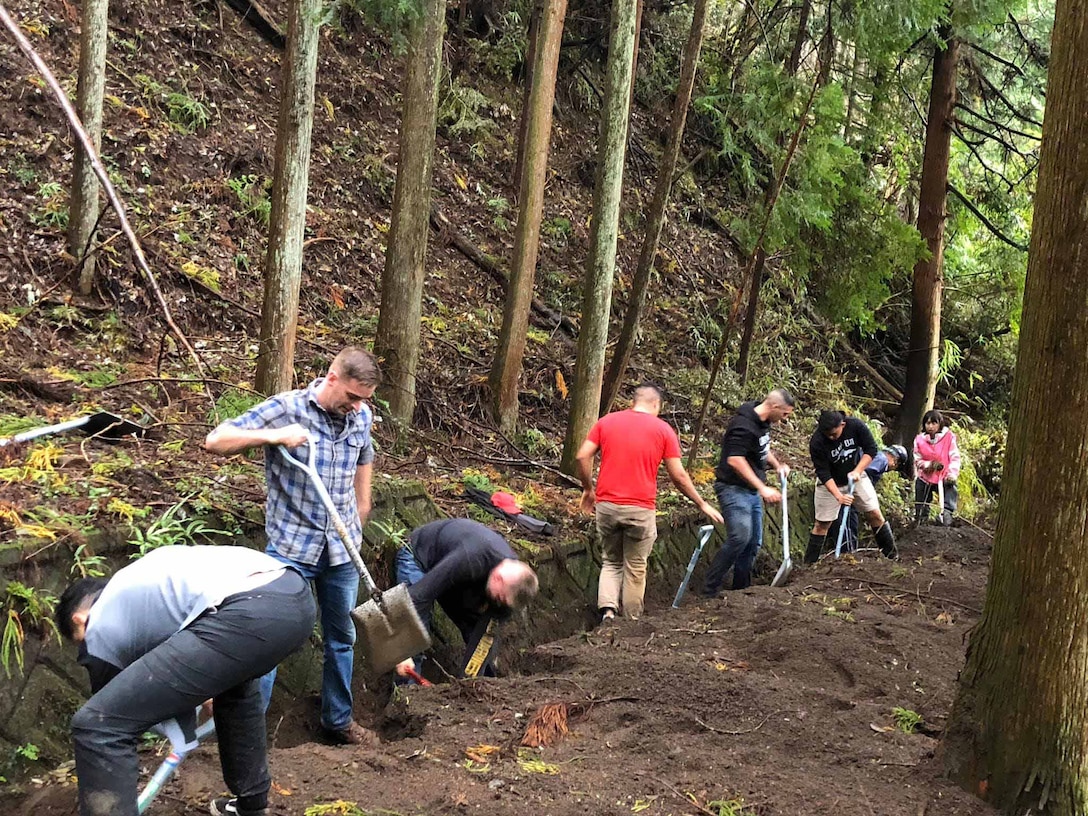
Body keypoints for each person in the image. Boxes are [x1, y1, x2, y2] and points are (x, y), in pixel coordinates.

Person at [56, 545, 316, 816]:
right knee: (236, 689)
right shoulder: (139, 583)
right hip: (293, 596)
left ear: (80, 619)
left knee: (98, 728)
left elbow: (109, 711)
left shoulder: (98, 622)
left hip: (245, 612)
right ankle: (250, 806)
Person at [204, 346, 381, 745]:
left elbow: (364, 457)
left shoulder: (362, 415)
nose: (357, 407)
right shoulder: (286, 409)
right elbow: (216, 440)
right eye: (352, 396)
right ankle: (247, 734)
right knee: (269, 642)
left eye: (363, 400)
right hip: (291, 552)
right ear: (332, 378)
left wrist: (362, 510)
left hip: (342, 551)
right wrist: (274, 436)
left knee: (342, 638)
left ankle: (338, 720)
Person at [575, 384, 723, 622]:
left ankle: (608, 613)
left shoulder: (607, 422)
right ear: (656, 404)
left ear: (633, 401)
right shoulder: (663, 430)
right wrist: (701, 503)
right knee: (635, 567)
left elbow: (582, 455)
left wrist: (588, 488)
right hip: (640, 509)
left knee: (611, 561)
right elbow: (679, 476)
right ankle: (632, 621)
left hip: (607, 506)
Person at [393, 518, 538, 680]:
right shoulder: (471, 558)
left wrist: (470, 685)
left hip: (456, 574)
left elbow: (485, 635)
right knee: (415, 641)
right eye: (499, 597)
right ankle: (407, 699)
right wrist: (402, 651)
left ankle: (484, 686)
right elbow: (416, 597)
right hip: (419, 557)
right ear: (499, 579)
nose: (498, 602)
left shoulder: (511, 584)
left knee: (477, 633)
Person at [702, 388, 794, 596]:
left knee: (753, 543)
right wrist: (762, 488)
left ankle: (741, 591)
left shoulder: (763, 423)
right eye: (785, 414)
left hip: (750, 492)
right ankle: (710, 588)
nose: (785, 419)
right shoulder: (742, 426)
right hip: (733, 489)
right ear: (775, 406)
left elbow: (762, 448)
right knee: (739, 538)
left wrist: (777, 465)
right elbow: (735, 459)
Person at [804, 410, 897, 562]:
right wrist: (838, 496)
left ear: (843, 424)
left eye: (834, 434)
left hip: (856, 476)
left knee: (874, 513)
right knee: (822, 524)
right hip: (830, 483)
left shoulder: (856, 426)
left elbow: (871, 449)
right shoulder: (817, 441)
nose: (831, 438)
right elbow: (823, 472)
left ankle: (892, 556)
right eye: (827, 435)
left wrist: (858, 470)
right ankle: (809, 564)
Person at [836, 444, 909, 551]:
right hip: (849, 490)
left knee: (848, 521)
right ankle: (847, 552)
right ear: (895, 461)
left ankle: (848, 551)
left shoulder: (875, 456)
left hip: (844, 487)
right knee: (848, 522)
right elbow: (865, 472)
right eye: (895, 466)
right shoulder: (882, 460)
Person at [913, 409, 961, 526]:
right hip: (926, 476)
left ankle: (947, 515)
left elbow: (954, 456)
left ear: (940, 424)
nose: (930, 426)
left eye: (934, 423)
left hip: (944, 476)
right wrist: (929, 465)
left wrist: (952, 473)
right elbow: (917, 459)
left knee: (950, 488)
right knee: (921, 496)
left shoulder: (949, 437)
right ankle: (921, 519)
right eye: (928, 423)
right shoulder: (919, 440)